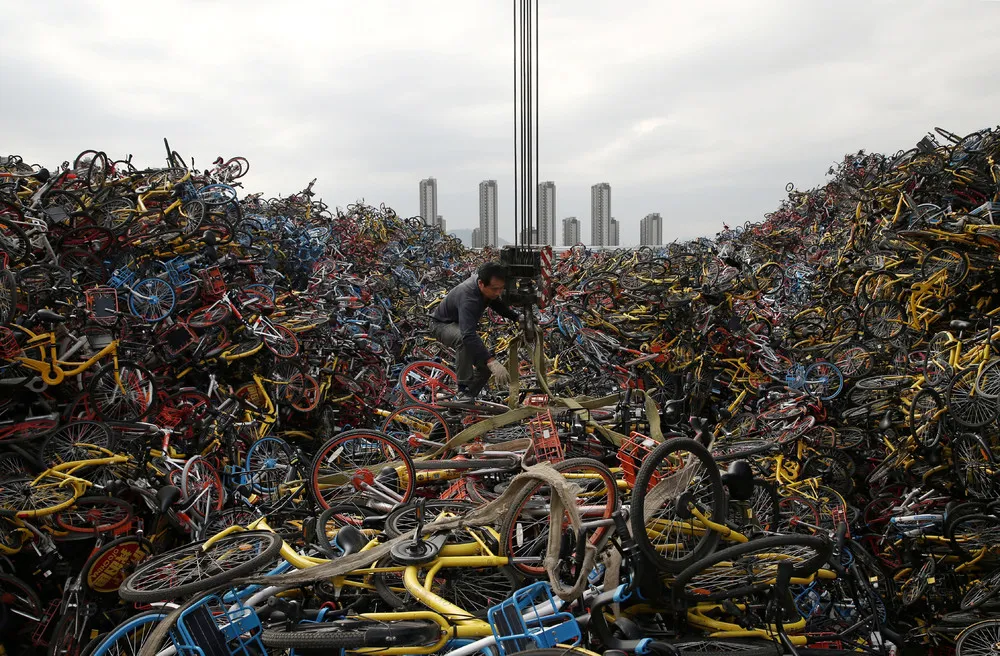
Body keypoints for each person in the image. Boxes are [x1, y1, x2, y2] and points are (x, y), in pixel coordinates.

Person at [429, 262, 521, 401]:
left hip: (459, 324)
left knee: (484, 368)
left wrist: (517, 317)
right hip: (442, 325)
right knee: (463, 339)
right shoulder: (469, 297)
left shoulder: (486, 288)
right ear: (481, 284)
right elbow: (468, 334)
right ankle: (462, 390)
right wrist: (491, 361)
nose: (498, 292)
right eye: (495, 289)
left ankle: (465, 400)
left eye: (501, 289)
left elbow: (496, 304)